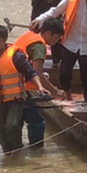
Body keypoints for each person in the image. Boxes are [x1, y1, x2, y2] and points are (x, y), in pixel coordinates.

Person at [0, 25, 49, 154]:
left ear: (4, 40)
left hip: (15, 100)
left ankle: (18, 152)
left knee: (12, 126)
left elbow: (31, 73)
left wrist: (40, 87)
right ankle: (10, 157)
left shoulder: (16, 56)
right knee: (1, 135)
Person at [13, 19, 65, 147]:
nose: (57, 41)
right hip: (22, 88)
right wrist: (55, 91)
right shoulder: (39, 46)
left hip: (12, 84)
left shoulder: (29, 36)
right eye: (57, 37)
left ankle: (16, 150)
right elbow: (38, 74)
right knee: (37, 122)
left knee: (17, 121)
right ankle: (36, 152)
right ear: (47, 33)